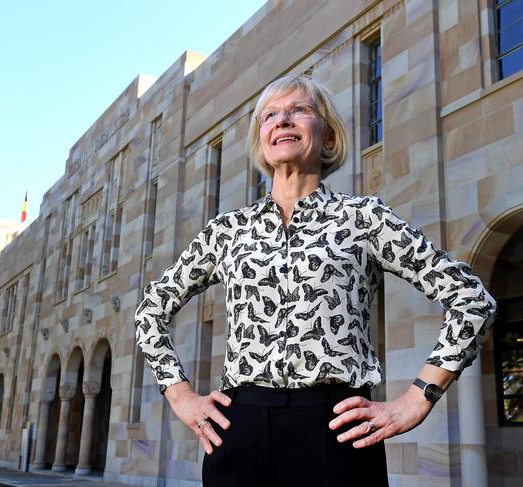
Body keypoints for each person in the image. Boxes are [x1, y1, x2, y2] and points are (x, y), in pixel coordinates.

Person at [134, 73, 497, 486]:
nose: (282, 119)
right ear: (262, 141)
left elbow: (472, 299)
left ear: (327, 139)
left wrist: (416, 399)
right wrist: (180, 396)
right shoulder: (226, 231)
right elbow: (151, 310)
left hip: (338, 430)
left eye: (299, 110)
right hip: (239, 429)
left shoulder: (365, 218)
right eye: (270, 115)